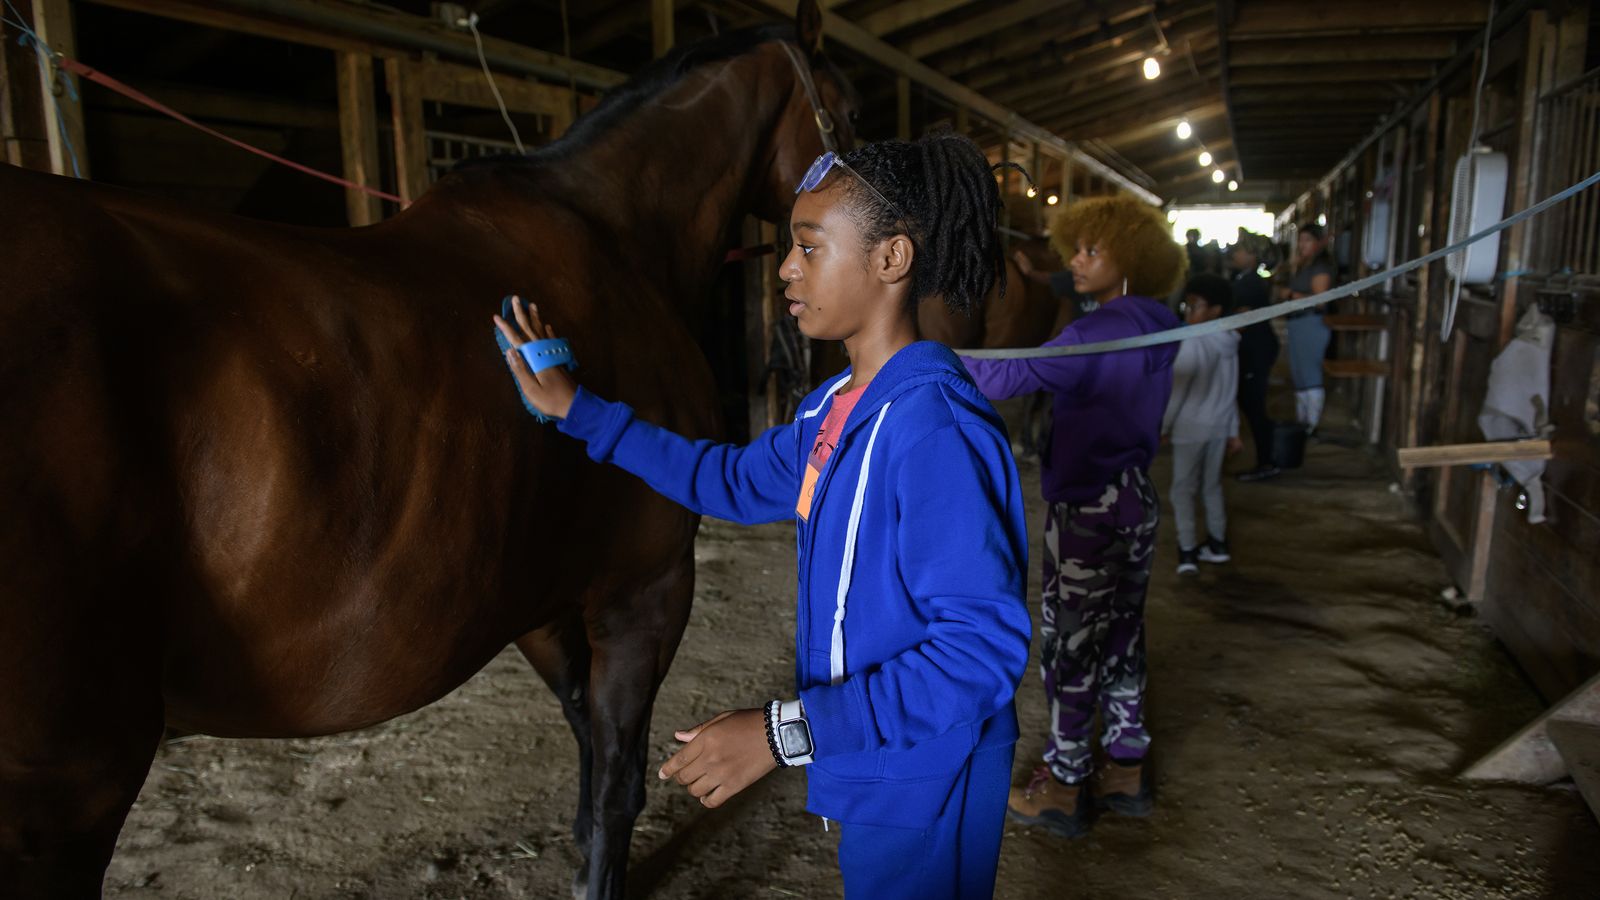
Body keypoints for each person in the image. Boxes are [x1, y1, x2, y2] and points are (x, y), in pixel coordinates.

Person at [494, 132, 1032, 899]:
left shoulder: (932, 432)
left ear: (891, 260)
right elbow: (728, 481)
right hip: (881, 751)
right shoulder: (833, 410)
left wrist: (786, 733)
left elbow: (979, 653)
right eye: (790, 248)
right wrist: (578, 410)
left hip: (926, 764)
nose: (785, 269)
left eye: (810, 249)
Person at [959, 196, 1184, 838]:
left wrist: (923, 358)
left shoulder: (1092, 333)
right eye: (1076, 248)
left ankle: (1061, 784)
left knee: (1070, 647)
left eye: (1092, 250)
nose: (1076, 261)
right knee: (1122, 635)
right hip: (1137, 497)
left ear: (1130, 259)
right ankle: (1125, 770)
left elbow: (1010, 376)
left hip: (1088, 506)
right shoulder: (1158, 322)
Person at [1163, 274, 1242, 575]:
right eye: (1188, 304)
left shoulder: (1192, 341)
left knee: (1182, 490)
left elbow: (1179, 392)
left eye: (1196, 306)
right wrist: (1233, 430)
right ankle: (1218, 544)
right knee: (1211, 486)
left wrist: (1163, 428)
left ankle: (1187, 551)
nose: (1188, 311)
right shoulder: (1231, 341)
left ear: (1216, 310)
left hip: (1190, 428)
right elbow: (1232, 390)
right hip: (1219, 426)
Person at [1228, 234, 1281, 481]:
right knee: (1250, 404)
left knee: (1254, 405)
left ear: (1252, 256)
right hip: (1254, 347)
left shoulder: (1250, 284)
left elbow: (1238, 314)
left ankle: (1266, 461)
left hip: (1255, 350)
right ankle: (1266, 458)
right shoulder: (1245, 279)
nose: (1234, 254)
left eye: (1240, 250)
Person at [1282, 224, 1336, 433]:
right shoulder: (1305, 264)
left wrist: (1291, 295)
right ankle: (1301, 421)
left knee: (1310, 372)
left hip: (1311, 323)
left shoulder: (1320, 266)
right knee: (1299, 373)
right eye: (1301, 240)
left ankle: (1310, 425)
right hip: (1298, 322)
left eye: (1307, 240)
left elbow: (1320, 301)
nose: (1302, 245)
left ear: (1319, 242)